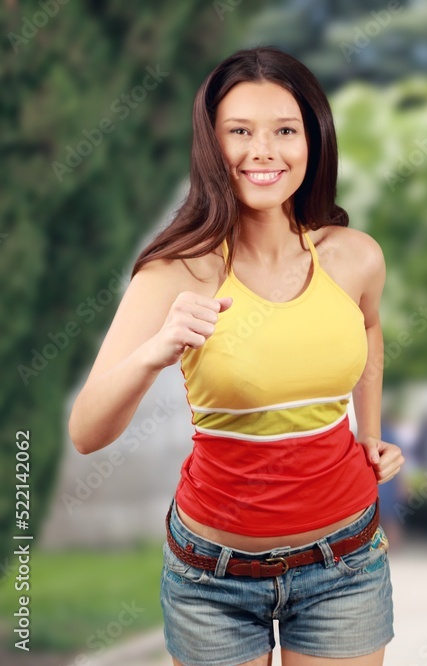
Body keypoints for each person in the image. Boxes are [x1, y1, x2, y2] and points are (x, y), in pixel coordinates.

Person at [67, 46, 404, 666]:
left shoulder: (355, 257)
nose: (264, 152)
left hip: (345, 564)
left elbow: (371, 333)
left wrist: (370, 436)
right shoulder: (176, 274)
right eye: (240, 132)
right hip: (212, 582)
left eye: (285, 131)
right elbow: (86, 432)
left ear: (314, 140)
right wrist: (156, 352)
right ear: (210, 145)